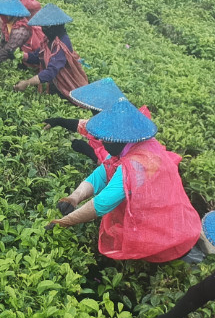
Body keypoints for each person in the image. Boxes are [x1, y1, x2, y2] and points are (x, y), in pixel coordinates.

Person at [45, 98, 203, 265]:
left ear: (119, 138)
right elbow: (101, 174)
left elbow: (102, 202)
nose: (102, 142)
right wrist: (74, 197)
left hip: (162, 217)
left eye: (105, 139)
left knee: (166, 248)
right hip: (152, 204)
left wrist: (64, 222)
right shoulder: (126, 145)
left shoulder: (137, 164)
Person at [13, 3, 87, 101]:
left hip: (67, 84)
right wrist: (22, 56)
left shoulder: (61, 45)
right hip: (54, 82)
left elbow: (51, 71)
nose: (43, 30)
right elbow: (38, 56)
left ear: (52, 28)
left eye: (45, 27)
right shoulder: (49, 39)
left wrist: (27, 83)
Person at [43, 77, 128, 163]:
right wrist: (58, 121)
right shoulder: (104, 120)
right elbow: (85, 126)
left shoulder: (122, 131)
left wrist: (89, 152)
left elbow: (113, 166)